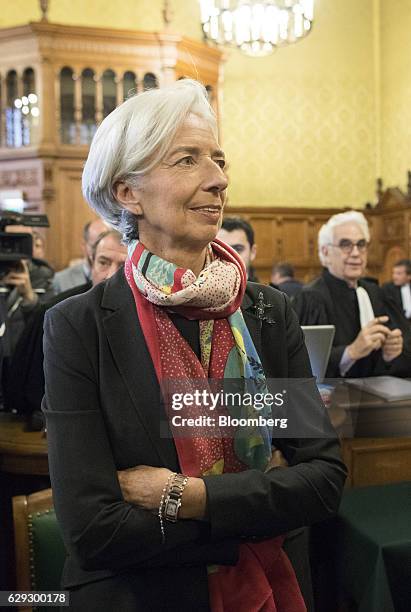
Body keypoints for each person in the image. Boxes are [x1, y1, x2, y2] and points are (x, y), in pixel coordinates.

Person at [42, 79, 346, 612]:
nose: (218, 179)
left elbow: (321, 482)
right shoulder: (78, 326)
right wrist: (257, 506)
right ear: (126, 192)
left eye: (219, 160)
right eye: (187, 160)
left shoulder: (268, 313)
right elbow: (94, 531)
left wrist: (184, 497)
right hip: (141, 597)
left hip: (276, 588)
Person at [5, 230, 126, 422]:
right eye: (103, 262)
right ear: (91, 262)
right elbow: (29, 391)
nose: (110, 275)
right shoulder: (56, 312)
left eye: (123, 266)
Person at [293, 210, 411, 378]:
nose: (356, 253)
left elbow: (403, 352)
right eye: (346, 244)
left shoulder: (377, 294)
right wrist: (350, 352)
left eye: (361, 244)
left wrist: (390, 354)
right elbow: (300, 364)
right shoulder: (311, 299)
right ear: (325, 252)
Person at [52, 218, 108, 294]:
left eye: (107, 247)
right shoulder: (60, 280)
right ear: (84, 245)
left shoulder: (117, 277)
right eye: (95, 246)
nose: (101, 252)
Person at [217, 217, 259, 281]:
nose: (229, 257)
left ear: (253, 252)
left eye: (238, 249)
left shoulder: (265, 291)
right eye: (221, 250)